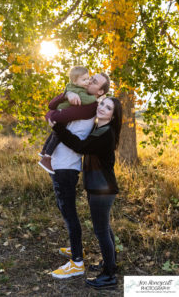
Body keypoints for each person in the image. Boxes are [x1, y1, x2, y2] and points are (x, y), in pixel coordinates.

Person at [50, 96, 122, 290]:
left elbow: (80, 146)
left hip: (102, 189)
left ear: (113, 116)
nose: (102, 108)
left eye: (108, 108)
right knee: (105, 228)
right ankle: (111, 264)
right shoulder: (100, 129)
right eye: (103, 104)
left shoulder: (105, 133)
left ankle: (109, 276)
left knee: (101, 231)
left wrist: (58, 128)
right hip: (99, 187)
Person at [45, 73, 111, 279]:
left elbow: (53, 116)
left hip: (67, 165)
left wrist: (53, 113)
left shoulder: (89, 106)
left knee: (69, 213)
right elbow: (52, 107)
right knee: (65, 211)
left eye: (94, 82)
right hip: (61, 162)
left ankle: (77, 263)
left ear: (100, 91)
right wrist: (68, 93)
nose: (90, 81)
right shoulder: (81, 100)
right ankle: (77, 249)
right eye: (90, 78)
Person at [38, 66, 97, 174]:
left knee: (54, 133)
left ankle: (44, 151)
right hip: (63, 113)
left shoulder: (71, 86)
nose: (88, 82)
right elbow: (84, 99)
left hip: (61, 112)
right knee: (56, 135)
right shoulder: (81, 92)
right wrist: (96, 98)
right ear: (75, 81)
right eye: (85, 80)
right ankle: (46, 157)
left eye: (88, 78)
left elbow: (51, 108)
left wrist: (66, 95)